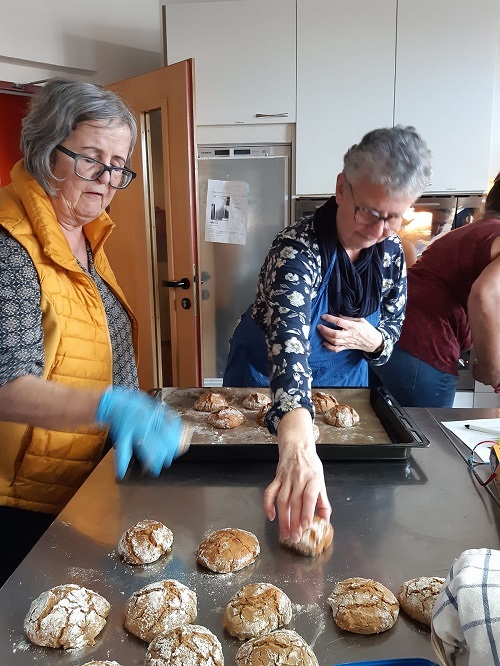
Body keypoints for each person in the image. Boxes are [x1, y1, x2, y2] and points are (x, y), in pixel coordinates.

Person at [0, 79, 186, 585]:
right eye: (91, 159)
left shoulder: (84, 234)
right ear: (45, 151)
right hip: (21, 503)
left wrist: (131, 407)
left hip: (82, 481)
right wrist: (111, 406)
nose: (107, 179)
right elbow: (6, 384)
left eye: (118, 165)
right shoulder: (9, 245)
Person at [223, 126, 432, 543]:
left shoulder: (391, 254)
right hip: (269, 385)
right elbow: (288, 345)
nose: (378, 231)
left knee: (346, 512)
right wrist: (297, 443)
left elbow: (391, 335)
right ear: (341, 188)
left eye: (394, 217)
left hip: (346, 389)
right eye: (369, 211)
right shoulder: (297, 250)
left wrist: (372, 341)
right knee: (259, 505)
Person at [372, 174, 500, 407]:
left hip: (388, 338)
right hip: (425, 349)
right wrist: (491, 369)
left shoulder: (472, 232)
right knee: (430, 430)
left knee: (385, 426)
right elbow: (486, 294)